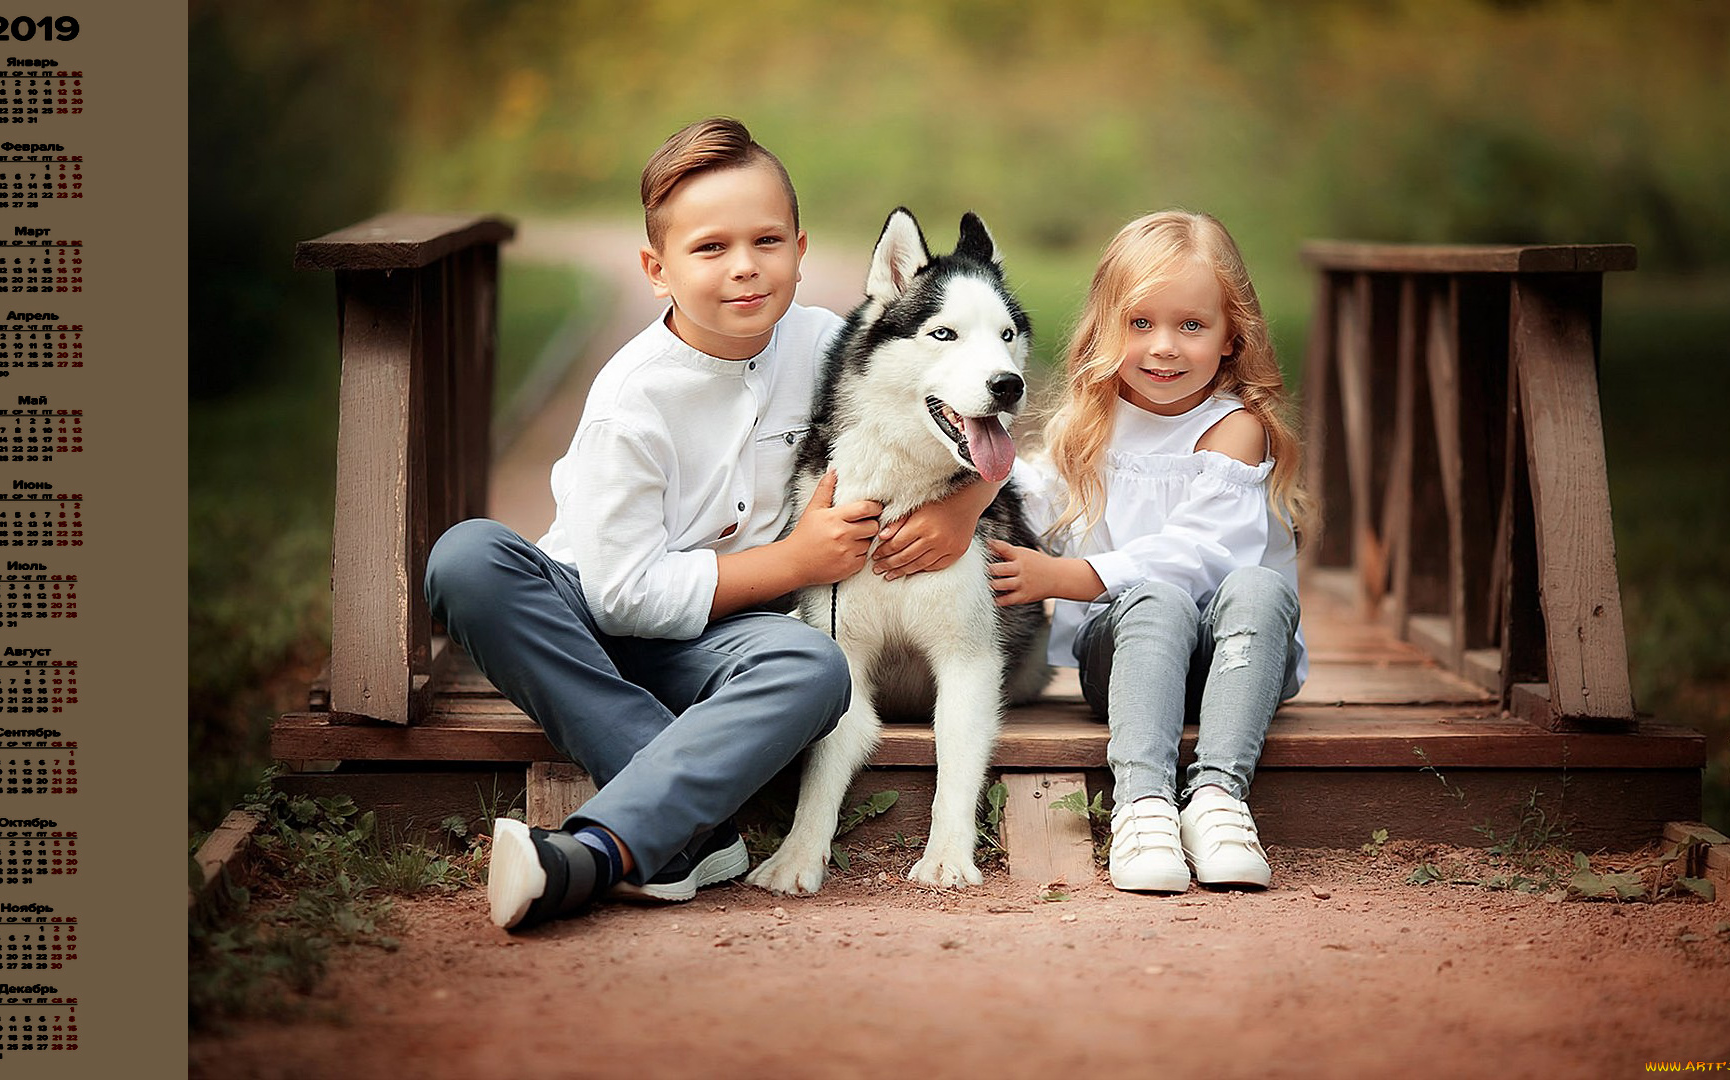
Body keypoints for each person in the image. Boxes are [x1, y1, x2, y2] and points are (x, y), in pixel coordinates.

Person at [424, 117, 994, 930]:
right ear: (657, 271)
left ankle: (619, 847)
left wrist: (964, 505)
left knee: (815, 668)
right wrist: (796, 562)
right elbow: (622, 597)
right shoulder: (633, 399)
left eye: (767, 241)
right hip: (588, 628)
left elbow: (976, 410)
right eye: (710, 248)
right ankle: (670, 834)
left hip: (727, 646)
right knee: (467, 558)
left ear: (800, 248)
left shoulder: (834, 347)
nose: (745, 266)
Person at [989, 210, 1317, 892]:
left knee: (1261, 588)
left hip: (1237, 660)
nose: (1163, 347)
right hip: (1124, 661)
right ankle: (1143, 805)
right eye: (1140, 323)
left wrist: (1066, 576)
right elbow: (1030, 498)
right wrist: (967, 478)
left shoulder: (1235, 429)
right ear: (1106, 329)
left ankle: (1218, 799)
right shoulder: (1093, 424)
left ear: (1232, 337)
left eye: (1191, 325)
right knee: (1155, 602)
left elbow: (1197, 554)